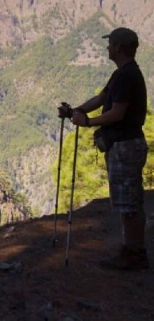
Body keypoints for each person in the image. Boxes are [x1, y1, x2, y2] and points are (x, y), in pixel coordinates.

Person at [59, 27, 149, 270]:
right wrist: (75, 111)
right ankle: (131, 248)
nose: (107, 47)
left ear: (118, 47)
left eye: (110, 44)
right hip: (126, 144)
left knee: (129, 203)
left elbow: (116, 114)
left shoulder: (125, 76)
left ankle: (134, 253)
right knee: (127, 201)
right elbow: (101, 99)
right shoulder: (122, 74)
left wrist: (87, 122)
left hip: (125, 145)